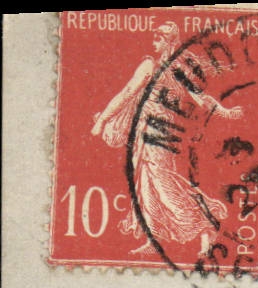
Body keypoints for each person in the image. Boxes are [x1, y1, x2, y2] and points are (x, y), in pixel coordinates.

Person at [90, 23, 242, 256]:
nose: (154, 42)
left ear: (168, 41)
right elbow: (128, 93)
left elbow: (199, 98)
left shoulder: (171, 69)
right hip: (145, 132)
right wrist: (102, 120)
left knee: (162, 182)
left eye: (158, 38)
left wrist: (224, 112)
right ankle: (154, 237)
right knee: (144, 183)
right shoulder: (157, 67)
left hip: (160, 134)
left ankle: (204, 226)